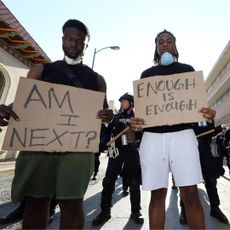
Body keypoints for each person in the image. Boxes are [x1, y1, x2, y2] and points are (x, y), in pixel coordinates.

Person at [0, 19, 113, 229]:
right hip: (38, 148)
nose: (74, 44)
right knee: (35, 204)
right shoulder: (41, 70)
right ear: (63, 39)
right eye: (69, 39)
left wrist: (108, 116)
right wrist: (6, 110)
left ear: (86, 45)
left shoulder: (97, 79)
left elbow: (102, 112)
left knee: (71, 204)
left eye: (80, 41)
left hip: (76, 151)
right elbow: (23, 104)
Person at [130, 30, 216, 229]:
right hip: (152, 138)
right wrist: (137, 123)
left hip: (183, 135)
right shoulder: (147, 75)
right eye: (161, 42)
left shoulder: (188, 70)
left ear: (175, 46)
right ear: (157, 47)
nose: (165, 44)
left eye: (169, 41)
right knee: (157, 194)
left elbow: (195, 107)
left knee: (191, 194)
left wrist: (206, 115)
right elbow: (144, 112)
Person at [92, 93, 143, 226]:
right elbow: (107, 132)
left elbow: (143, 135)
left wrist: (137, 141)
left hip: (131, 151)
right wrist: (102, 142)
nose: (122, 104)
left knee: (134, 182)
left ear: (131, 103)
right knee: (108, 181)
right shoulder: (116, 117)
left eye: (125, 102)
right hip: (116, 151)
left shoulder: (137, 117)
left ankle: (136, 212)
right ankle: (104, 212)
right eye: (121, 102)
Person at [179, 121, 229, 225]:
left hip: (205, 149)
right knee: (187, 183)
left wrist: (215, 128)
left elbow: (210, 132)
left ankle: (215, 208)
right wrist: (216, 129)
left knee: (211, 180)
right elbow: (190, 131)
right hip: (189, 149)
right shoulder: (187, 113)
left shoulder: (206, 114)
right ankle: (184, 209)